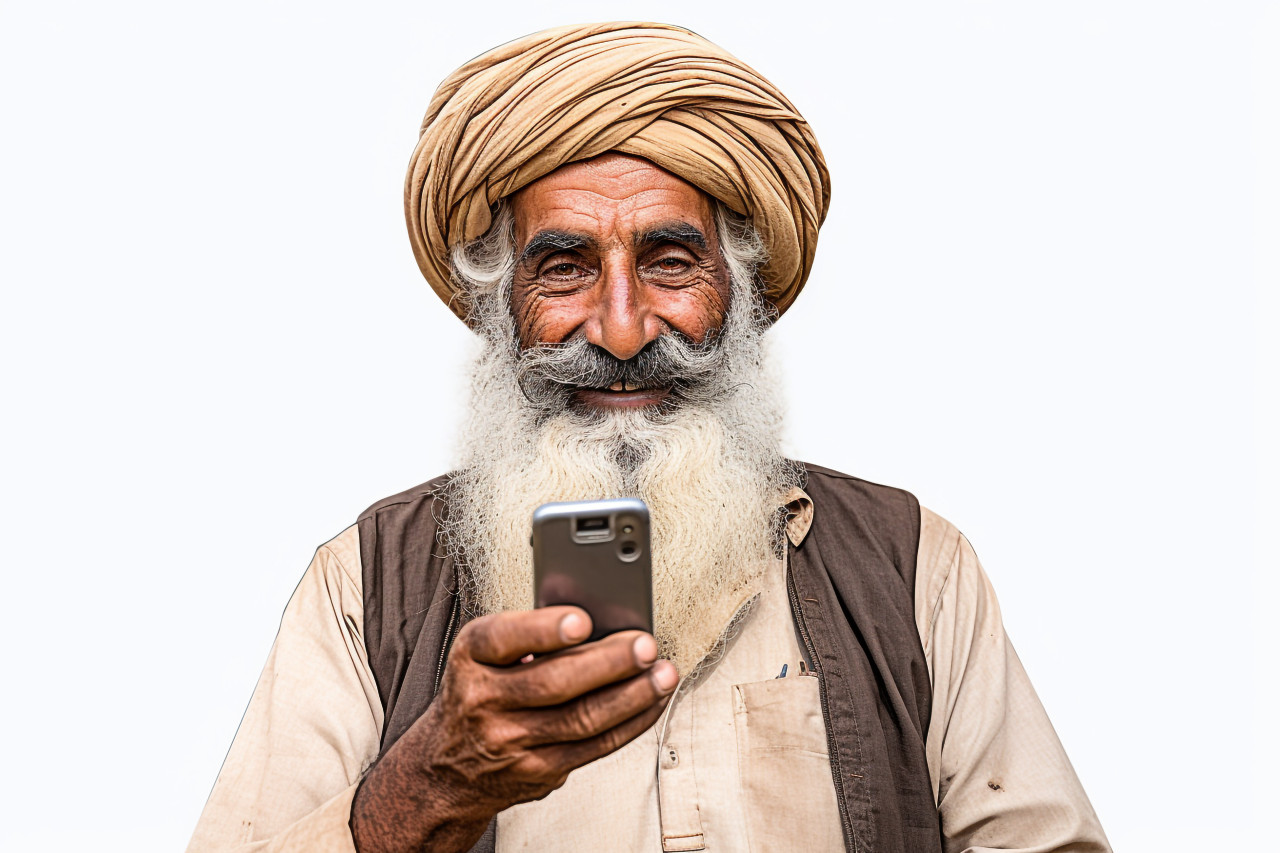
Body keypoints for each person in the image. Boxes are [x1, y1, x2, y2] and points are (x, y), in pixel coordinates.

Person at [187, 22, 1110, 853]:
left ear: (741, 295)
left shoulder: (912, 568)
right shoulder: (365, 583)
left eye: (671, 262)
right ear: (501, 306)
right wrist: (428, 785)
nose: (623, 331)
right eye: (564, 267)